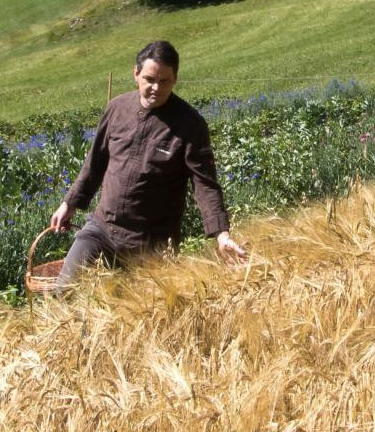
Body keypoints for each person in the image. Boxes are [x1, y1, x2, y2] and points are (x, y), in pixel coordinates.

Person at [48, 39, 247, 288]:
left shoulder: (189, 124)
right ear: (136, 74)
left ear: (175, 79)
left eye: (164, 81)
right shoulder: (117, 108)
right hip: (101, 229)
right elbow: (95, 163)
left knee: (141, 317)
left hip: (152, 243)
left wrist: (221, 234)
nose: (156, 87)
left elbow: (205, 184)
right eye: (150, 79)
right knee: (64, 292)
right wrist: (70, 203)